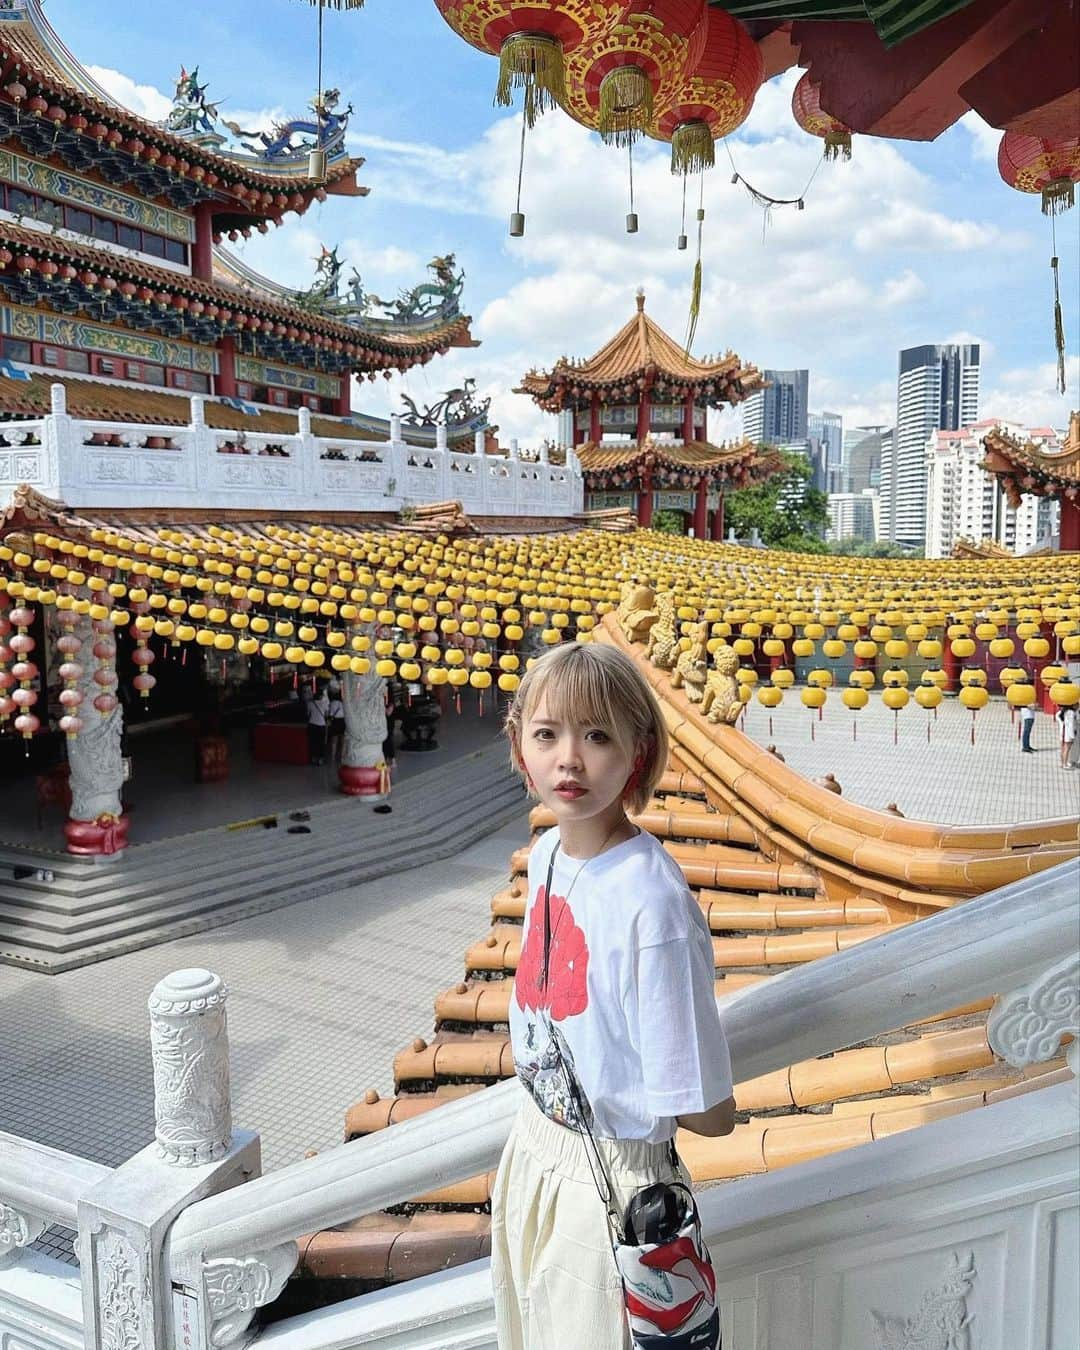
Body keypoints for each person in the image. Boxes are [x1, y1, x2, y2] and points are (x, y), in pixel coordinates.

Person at [493, 642, 734, 1350]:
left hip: (612, 1184)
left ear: (639, 751)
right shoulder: (546, 855)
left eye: (597, 735)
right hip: (534, 1149)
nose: (570, 758)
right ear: (519, 748)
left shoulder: (650, 903)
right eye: (548, 734)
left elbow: (705, 1113)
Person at [305, 682, 329, 765]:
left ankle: (313, 758)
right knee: (321, 743)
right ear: (321, 696)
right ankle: (320, 759)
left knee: (313, 742)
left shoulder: (310, 704)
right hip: (321, 725)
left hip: (312, 724)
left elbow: (308, 714)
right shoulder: (324, 703)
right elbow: (326, 714)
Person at [327, 681, 345, 764]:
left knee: (334, 741)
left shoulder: (332, 703)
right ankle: (341, 758)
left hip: (335, 722)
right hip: (342, 722)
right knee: (342, 742)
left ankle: (333, 757)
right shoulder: (344, 704)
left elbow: (330, 714)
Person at [1059, 702, 1077, 769]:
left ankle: (1062, 763)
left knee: (1063, 748)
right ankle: (1065, 764)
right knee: (1067, 749)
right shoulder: (1071, 713)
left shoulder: (1062, 712)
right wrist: (1072, 735)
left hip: (1063, 733)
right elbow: (1071, 725)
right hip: (1068, 733)